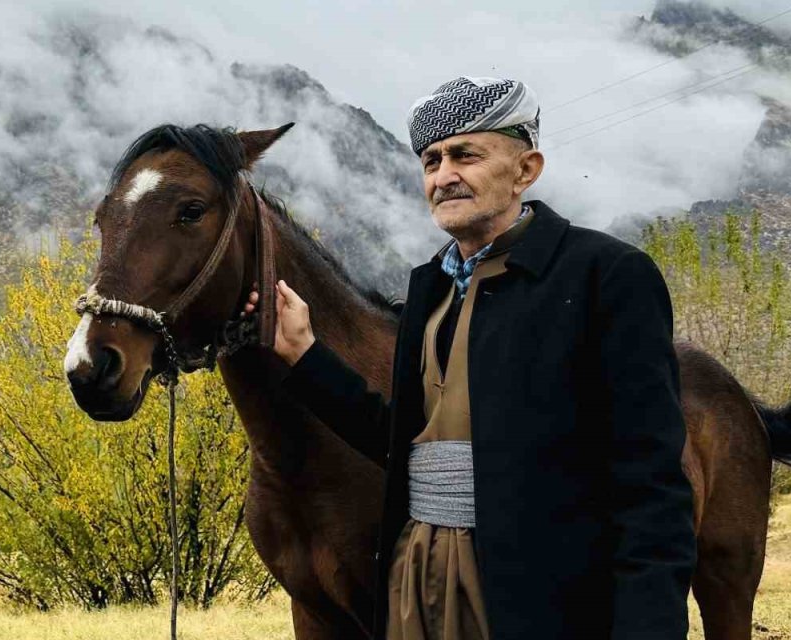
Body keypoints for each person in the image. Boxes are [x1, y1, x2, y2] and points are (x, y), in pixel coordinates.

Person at [241, 76, 696, 639]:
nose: (443, 176)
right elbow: (404, 439)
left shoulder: (607, 276)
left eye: (466, 155)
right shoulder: (430, 290)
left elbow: (650, 484)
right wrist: (305, 354)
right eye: (431, 161)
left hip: (543, 601)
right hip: (419, 586)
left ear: (525, 170)